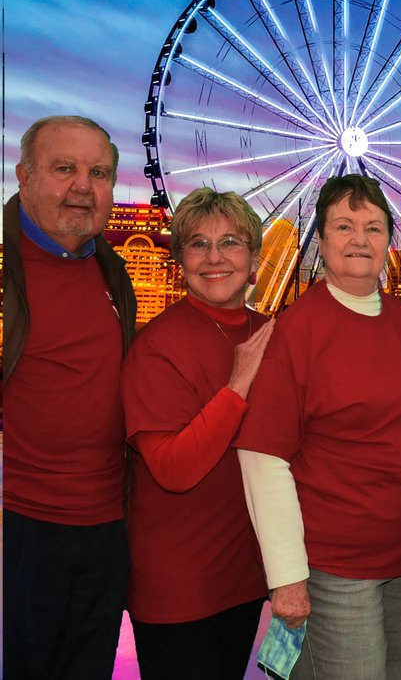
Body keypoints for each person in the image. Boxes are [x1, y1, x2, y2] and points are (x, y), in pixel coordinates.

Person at [236, 175, 401, 680]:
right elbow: (263, 456)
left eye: (372, 227)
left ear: (390, 239)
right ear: (320, 240)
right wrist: (287, 578)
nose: (359, 239)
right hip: (335, 566)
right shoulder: (298, 329)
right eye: (344, 226)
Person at [2, 115, 137, 680]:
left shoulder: (115, 273)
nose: (84, 186)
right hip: (26, 534)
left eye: (98, 173)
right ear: (24, 176)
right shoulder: (7, 277)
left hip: (107, 530)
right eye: (65, 169)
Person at [121, 188, 275, 679]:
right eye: (197, 244)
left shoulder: (273, 331)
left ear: (254, 257)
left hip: (246, 577)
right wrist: (239, 382)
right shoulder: (157, 347)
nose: (215, 257)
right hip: (178, 586)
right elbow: (173, 468)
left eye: (230, 242)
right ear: (180, 258)